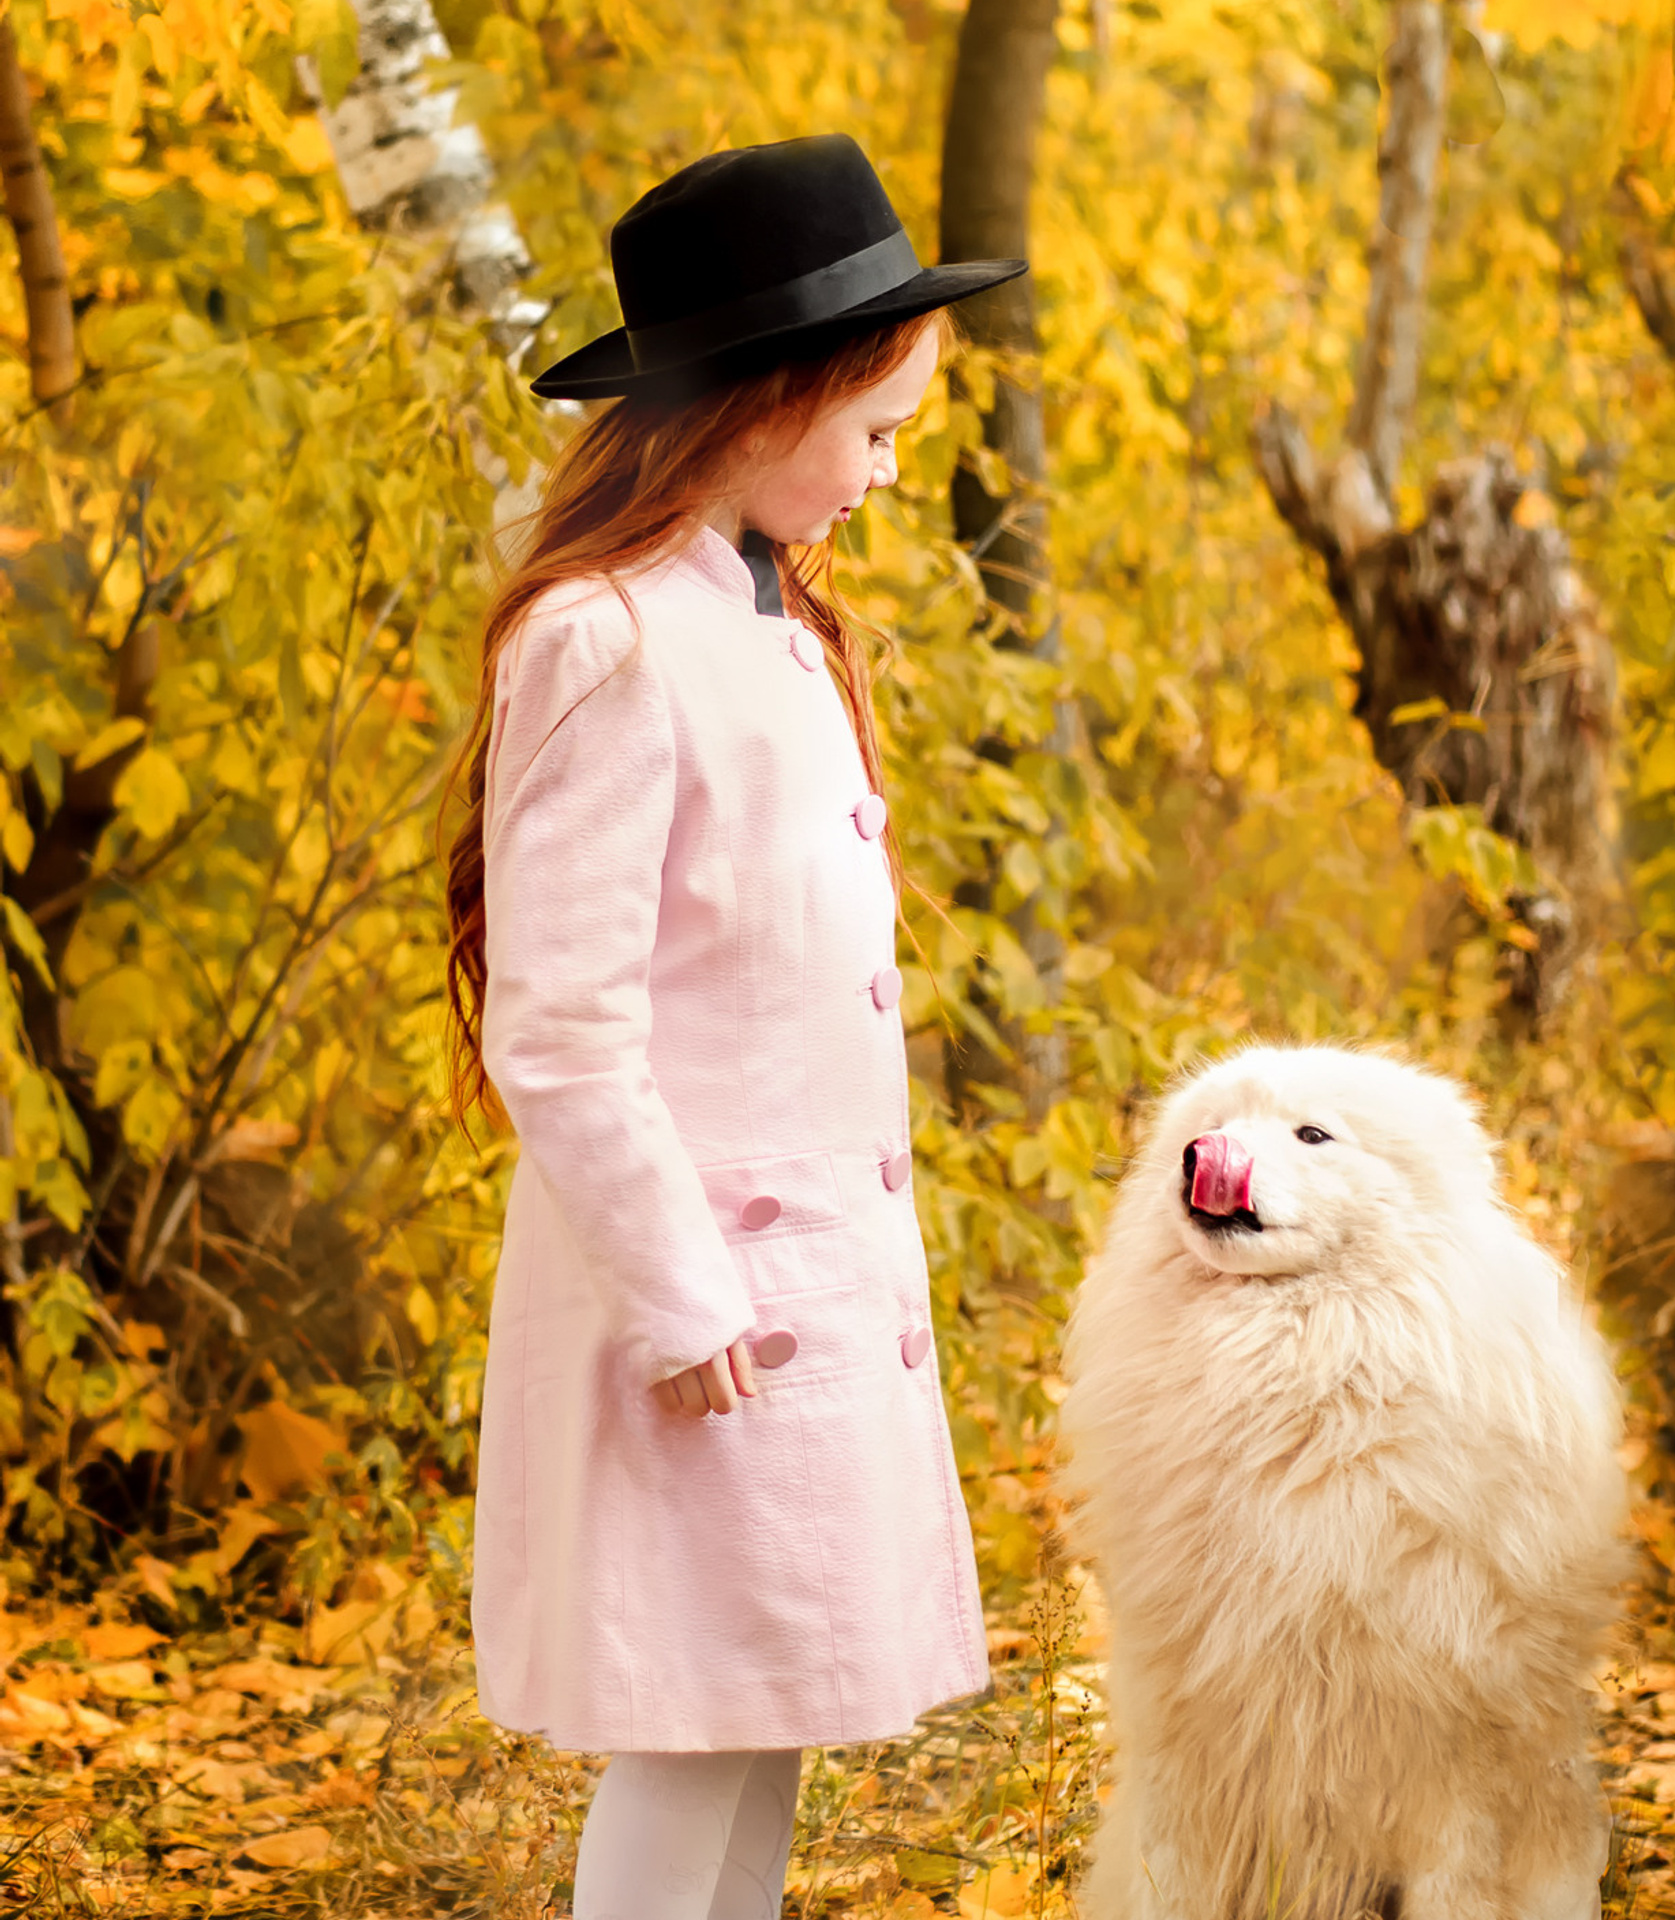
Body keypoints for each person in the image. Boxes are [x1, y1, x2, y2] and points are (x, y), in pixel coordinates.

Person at [439, 134, 1027, 1920]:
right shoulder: (605, 642)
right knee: (691, 1726)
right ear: (763, 403)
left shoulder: (772, 631)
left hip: (814, 1292)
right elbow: (561, 1028)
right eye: (873, 433)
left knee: (767, 1712)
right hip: (705, 1307)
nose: (888, 470)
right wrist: (686, 1294)